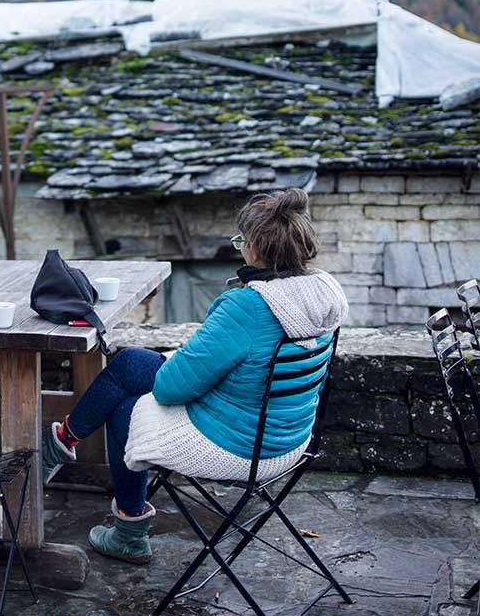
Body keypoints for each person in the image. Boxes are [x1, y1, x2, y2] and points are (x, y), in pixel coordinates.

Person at [41, 188, 349, 564]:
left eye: (241, 241)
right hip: (289, 436)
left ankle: (126, 532)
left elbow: (170, 389)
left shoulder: (249, 307)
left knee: (124, 409)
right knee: (130, 362)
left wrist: (184, 361)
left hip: (238, 443)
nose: (239, 247)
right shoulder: (320, 295)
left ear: (255, 249)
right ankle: (61, 444)